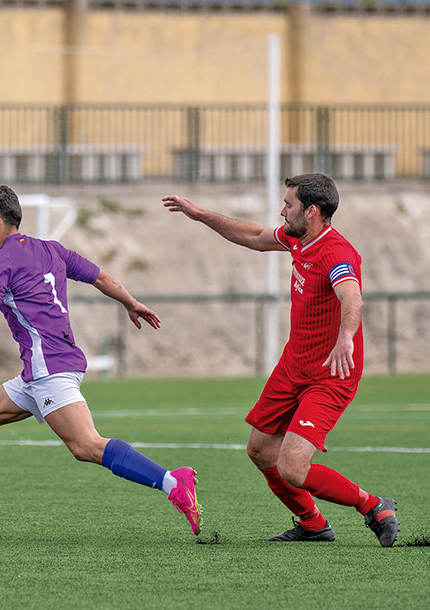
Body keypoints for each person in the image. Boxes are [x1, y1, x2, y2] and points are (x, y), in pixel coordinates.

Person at [0, 185, 201, 535]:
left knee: (85, 445)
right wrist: (130, 302)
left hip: (49, 369)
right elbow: (102, 277)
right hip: (42, 370)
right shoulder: (52, 249)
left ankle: (173, 482)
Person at [163, 173, 399, 546]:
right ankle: (313, 525)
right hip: (293, 366)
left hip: (330, 375)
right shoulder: (297, 238)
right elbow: (255, 237)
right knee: (259, 450)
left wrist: (345, 338)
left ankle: (373, 505)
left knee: (292, 467)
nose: (282, 211)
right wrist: (200, 214)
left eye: (289, 205)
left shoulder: (336, 252)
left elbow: (351, 296)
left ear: (312, 211)